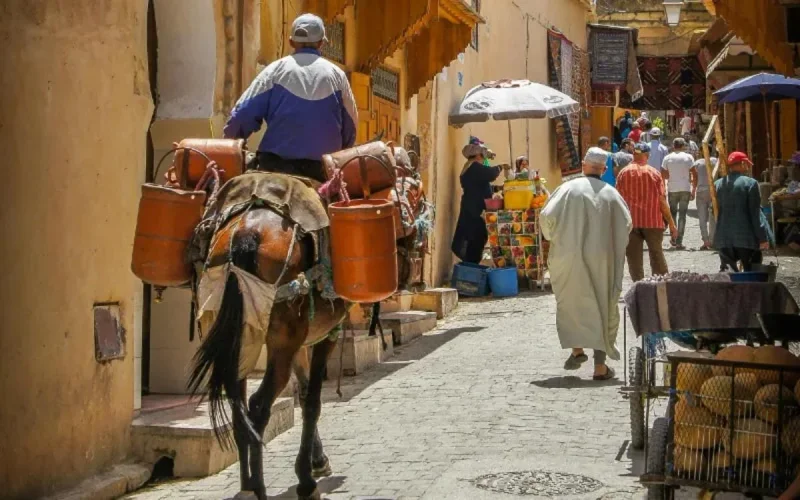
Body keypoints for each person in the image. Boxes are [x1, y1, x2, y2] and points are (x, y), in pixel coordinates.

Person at [223, 13, 357, 182]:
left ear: (291, 42)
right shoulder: (338, 76)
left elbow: (242, 114)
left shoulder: (274, 71)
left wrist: (230, 143)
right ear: (321, 43)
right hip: (322, 171)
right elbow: (350, 128)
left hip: (274, 167)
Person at [540, 147, 632, 380]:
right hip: (603, 260)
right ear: (604, 169)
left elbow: (546, 217)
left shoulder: (566, 189)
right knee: (603, 305)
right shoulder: (611, 194)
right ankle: (600, 367)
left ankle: (577, 350)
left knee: (571, 303)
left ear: (583, 165)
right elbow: (626, 225)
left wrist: (554, 237)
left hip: (568, 257)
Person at [616, 143, 678, 282]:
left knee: (634, 258)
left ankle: (638, 285)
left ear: (634, 154)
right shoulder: (654, 173)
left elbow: (618, 200)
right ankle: (661, 284)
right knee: (657, 255)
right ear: (647, 155)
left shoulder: (623, 173)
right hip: (652, 221)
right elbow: (662, 200)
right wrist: (671, 223)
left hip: (630, 223)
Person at [452, 139, 511, 263]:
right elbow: (490, 174)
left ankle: (471, 265)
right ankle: (471, 268)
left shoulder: (472, 167)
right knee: (475, 240)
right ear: (478, 155)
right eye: (483, 156)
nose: (484, 159)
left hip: (473, 208)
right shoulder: (474, 166)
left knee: (476, 240)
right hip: (474, 210)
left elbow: (480, 186)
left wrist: (498, 188)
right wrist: (501, 167)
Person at [714, 151, 770, 271]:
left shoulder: (717, 184)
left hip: (724, 238)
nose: (748, 166)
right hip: (746, 238)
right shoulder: (751, 183)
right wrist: (762, 238)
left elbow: (715, 210)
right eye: (746, 164)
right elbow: (755, 214)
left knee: (728, 275)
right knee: (752, 273)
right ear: (743, 163)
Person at [661, 138, 697, 249]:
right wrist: (693, 189)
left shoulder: (667, 158)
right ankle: (679, 241)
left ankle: (674, 237)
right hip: (685, 188)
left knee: (672, 214)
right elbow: (694, 174)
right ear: (683, 146)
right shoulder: (688, 157)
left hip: (672, 189)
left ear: (673, 146)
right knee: (682, 215)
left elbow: (663, 175)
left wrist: (665, 188)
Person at [693, 152, 719, 250]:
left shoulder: (697, 162)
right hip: (713, 190)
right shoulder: (715, 161)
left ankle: (706, 241)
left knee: (702, 218)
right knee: (713, 216)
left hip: (701, 191)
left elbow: (694, 177)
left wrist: (693, 190)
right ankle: (712, 240)